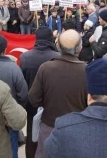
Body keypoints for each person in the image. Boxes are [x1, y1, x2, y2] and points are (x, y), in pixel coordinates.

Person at [29, 30, 87, 158]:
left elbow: (33, 98)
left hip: (50, 126)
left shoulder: (46, 68)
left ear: (58, 46)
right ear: (80, 48)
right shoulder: (87, 70)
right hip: (78, 129)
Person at [20, 27, 60, 158]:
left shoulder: (25, 57)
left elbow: (23, 82)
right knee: (51, 136)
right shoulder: (58, 57)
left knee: (32, 137)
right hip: (53, 104)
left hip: (32, 105)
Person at [0, 34, 28, 158]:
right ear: (5, 49)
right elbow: (23, 95)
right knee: (11, 149)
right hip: (8, 117)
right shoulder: (13, 68)